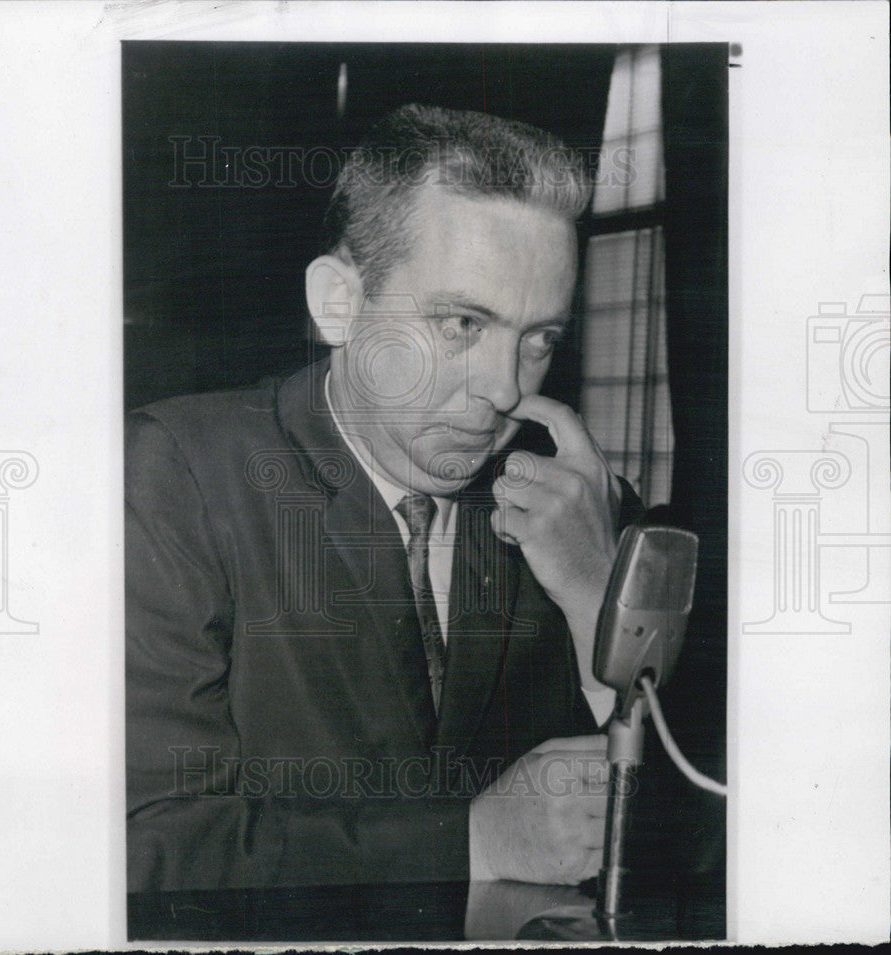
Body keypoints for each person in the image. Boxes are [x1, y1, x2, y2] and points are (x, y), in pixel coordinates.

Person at [126, 104, 644, 892]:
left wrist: (601, 606)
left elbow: (717, 835)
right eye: (463, 322)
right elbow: (145, 848)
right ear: (339, 303)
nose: (506, 389)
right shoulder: (175, 477)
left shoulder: (577, 503)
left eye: (539, 339)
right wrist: (469, 843)